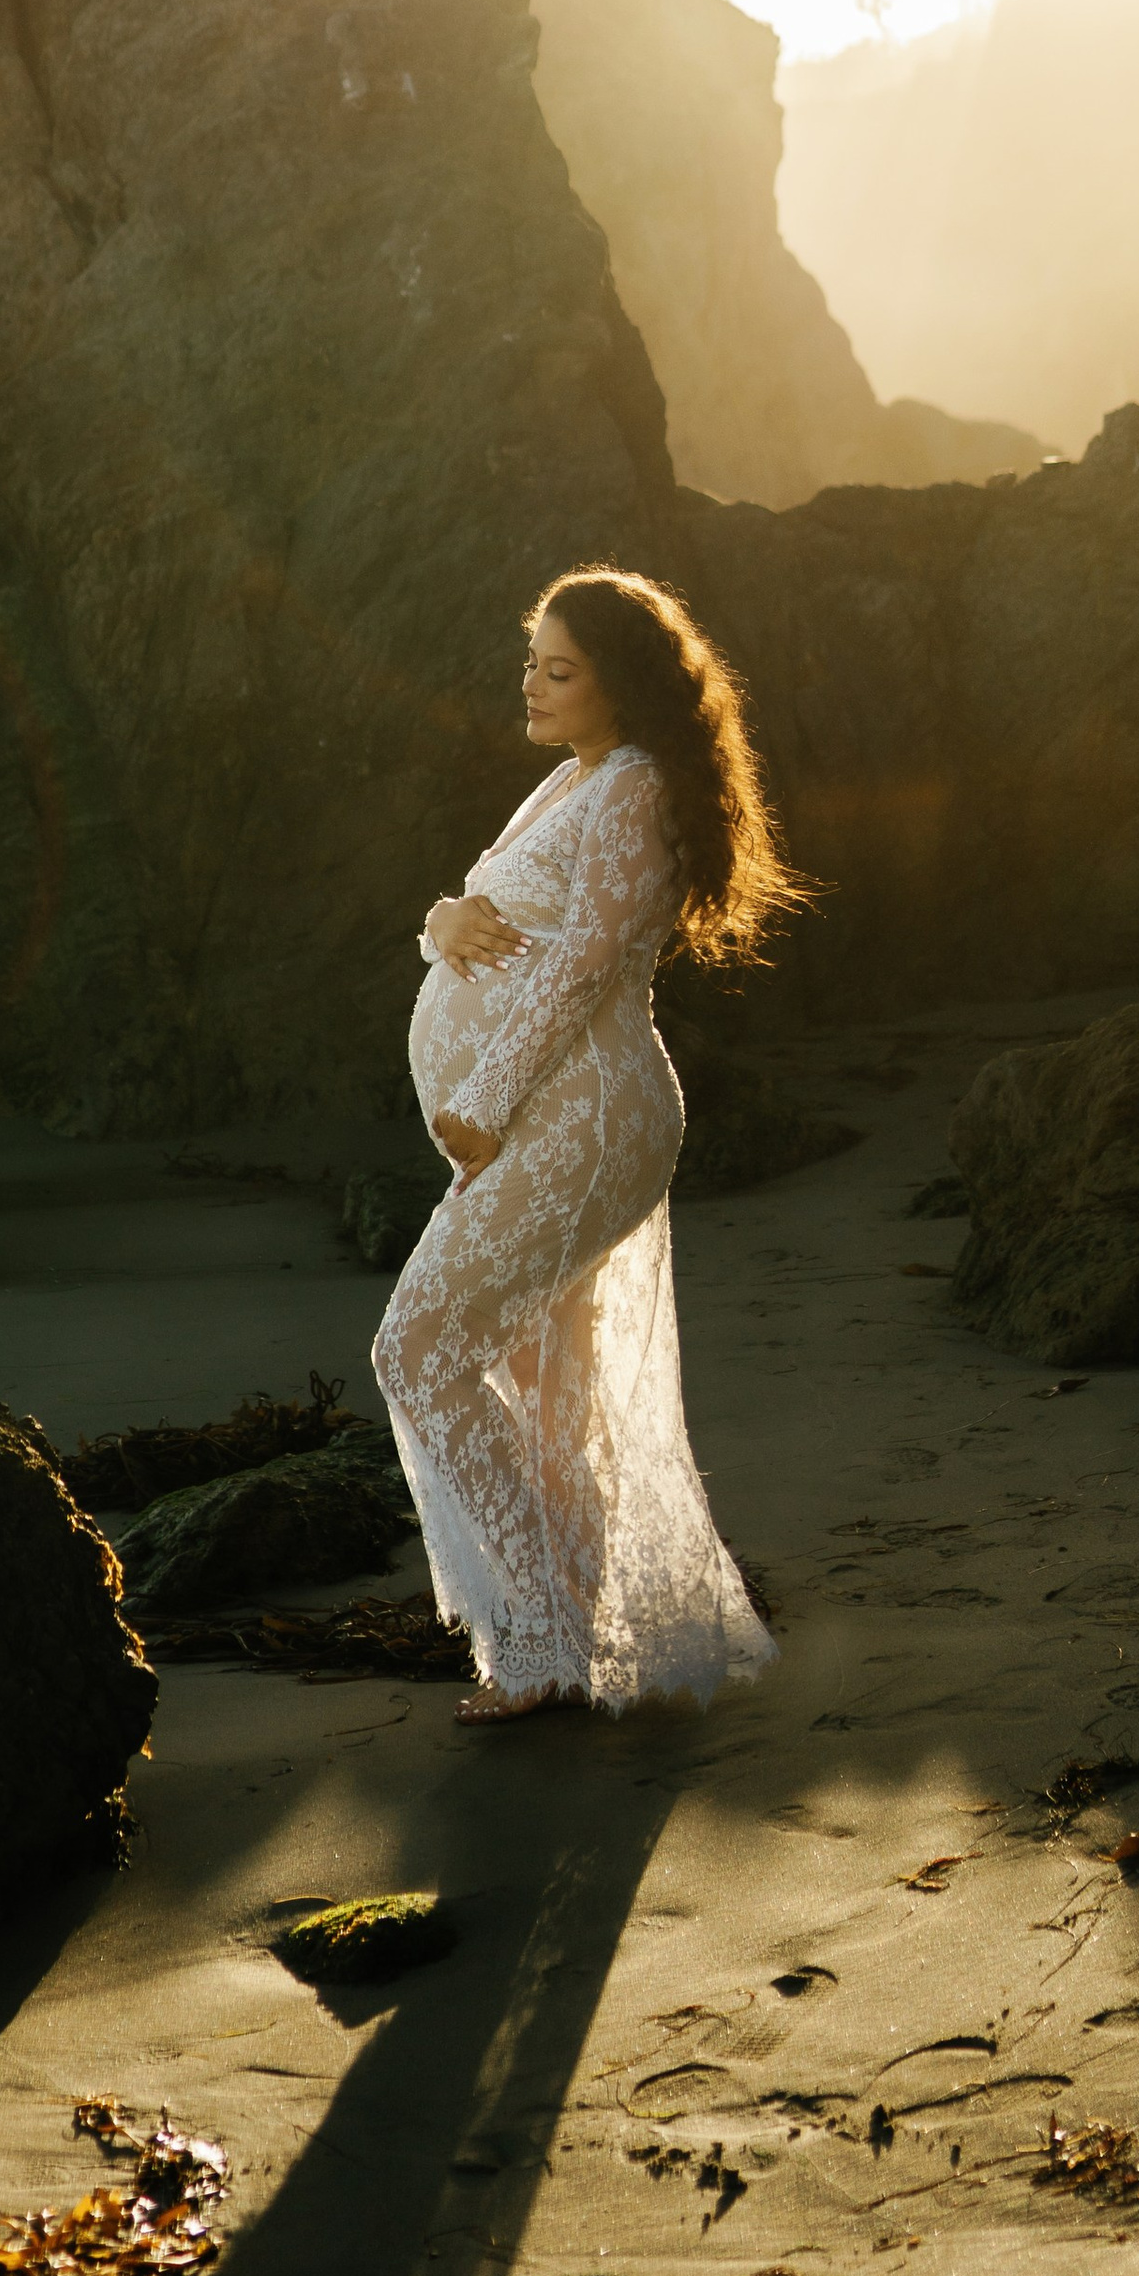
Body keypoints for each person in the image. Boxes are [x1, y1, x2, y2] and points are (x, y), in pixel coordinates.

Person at [373, 566, 807, 1721]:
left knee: (416, 1350)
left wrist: (485, 1102)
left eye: (558, 669)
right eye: (531, 660)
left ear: (620, 684)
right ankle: (568, 1628)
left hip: (581, 1113)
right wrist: (438, 923)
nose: (531, 681)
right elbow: (492, 931)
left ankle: (537, 1642)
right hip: (543, 1116)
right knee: (534, 1379)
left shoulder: (635, 786)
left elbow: (582, 963)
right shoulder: (570, 784)